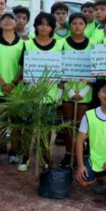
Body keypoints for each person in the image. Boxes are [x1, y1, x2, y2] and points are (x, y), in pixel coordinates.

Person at [22, 13, 65, 171]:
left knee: (46, 130)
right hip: (31, 94)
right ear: (36, 26)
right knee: (28, 128)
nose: (44, 27)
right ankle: (25, 157)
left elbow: (63, 71)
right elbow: (23, 68)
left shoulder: (60, 45)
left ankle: (45, 157)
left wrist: (60, 91)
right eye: (41, 24)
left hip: (50, 95)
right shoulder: (27, 44)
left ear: (53, 27)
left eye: (47, 24)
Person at [0, 10, 24, 166]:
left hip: (18, 89)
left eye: (11, 18)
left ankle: (13, 152)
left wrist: (13, 84)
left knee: (15, 122)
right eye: (4, 19)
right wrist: (2, 83)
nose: (8, 21)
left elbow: (23, 66)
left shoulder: (24, 43)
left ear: (16, 23)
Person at [60, 12, 93, 169]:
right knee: (68, 124)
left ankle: (81, 154)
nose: (77, 26)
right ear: (70, 25)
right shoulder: (62, 44)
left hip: (85, 92)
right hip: (68, 91)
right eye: (74, 23)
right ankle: (68, 153)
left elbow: (96, 70)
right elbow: (58, 68)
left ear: (85, 25)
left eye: (81, 23)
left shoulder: (93, 44)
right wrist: (68, 89)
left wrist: (86, 90)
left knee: (81, 125)